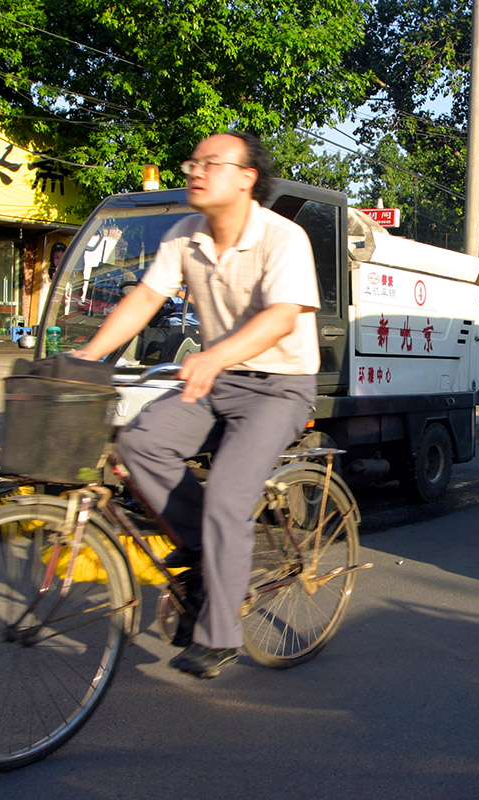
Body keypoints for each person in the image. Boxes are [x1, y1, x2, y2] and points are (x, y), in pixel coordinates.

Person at [72, 131, 320, 679]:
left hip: (280, 385)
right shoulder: (186, 235)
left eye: (211, 163)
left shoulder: (284, 237)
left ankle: (221, 634)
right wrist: (90, 355)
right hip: (218, 378)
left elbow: (282, 316)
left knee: (230, 494)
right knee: (140, 442)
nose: (195, 171)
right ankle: (205, 552)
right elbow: (144, 297)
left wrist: (216, 356)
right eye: (193, 161)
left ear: (246, 177)